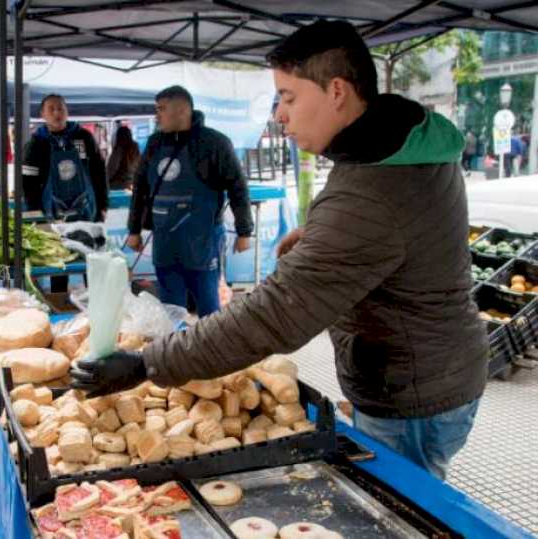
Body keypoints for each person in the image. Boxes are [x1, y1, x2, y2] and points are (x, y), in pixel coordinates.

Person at [72, 20, 487, 481]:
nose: (279, 115)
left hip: (414, 393)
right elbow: (402, 226)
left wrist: (150, 362)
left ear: (336, 91)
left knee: (407, 509)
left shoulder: (370, 191)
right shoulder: (398, 142)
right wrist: (318, 234)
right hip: (435, 366)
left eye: (289, 97)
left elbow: (276, 313)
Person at [125, 86, 253, 317]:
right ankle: (175, 350)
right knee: (171, 308)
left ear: (182, 109)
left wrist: (244, 231)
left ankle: (212, 351)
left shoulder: (214, 143)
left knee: (208, 305)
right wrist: (133, 230)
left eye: (161, 109)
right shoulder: (154, 144)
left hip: (202, 240)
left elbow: (238, 187)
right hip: (165, 240)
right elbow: (140, 189)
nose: (157, 115)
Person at [22, 94, 109, 222]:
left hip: (86, 211)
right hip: (50, 215)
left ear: (67, 111)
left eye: (60, 108)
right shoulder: (36, 144)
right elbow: (28, 183)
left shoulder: (81, 137)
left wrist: (103, 205)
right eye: (51, 109)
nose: (57, 112)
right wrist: (36, 215)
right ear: (43, 114)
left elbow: (98, 171)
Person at [106, 125, 141, 190]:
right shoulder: (135, 148)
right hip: (132, 183)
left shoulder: (119, 148)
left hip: (118, 184)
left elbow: (112, 168)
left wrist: (105, 179)